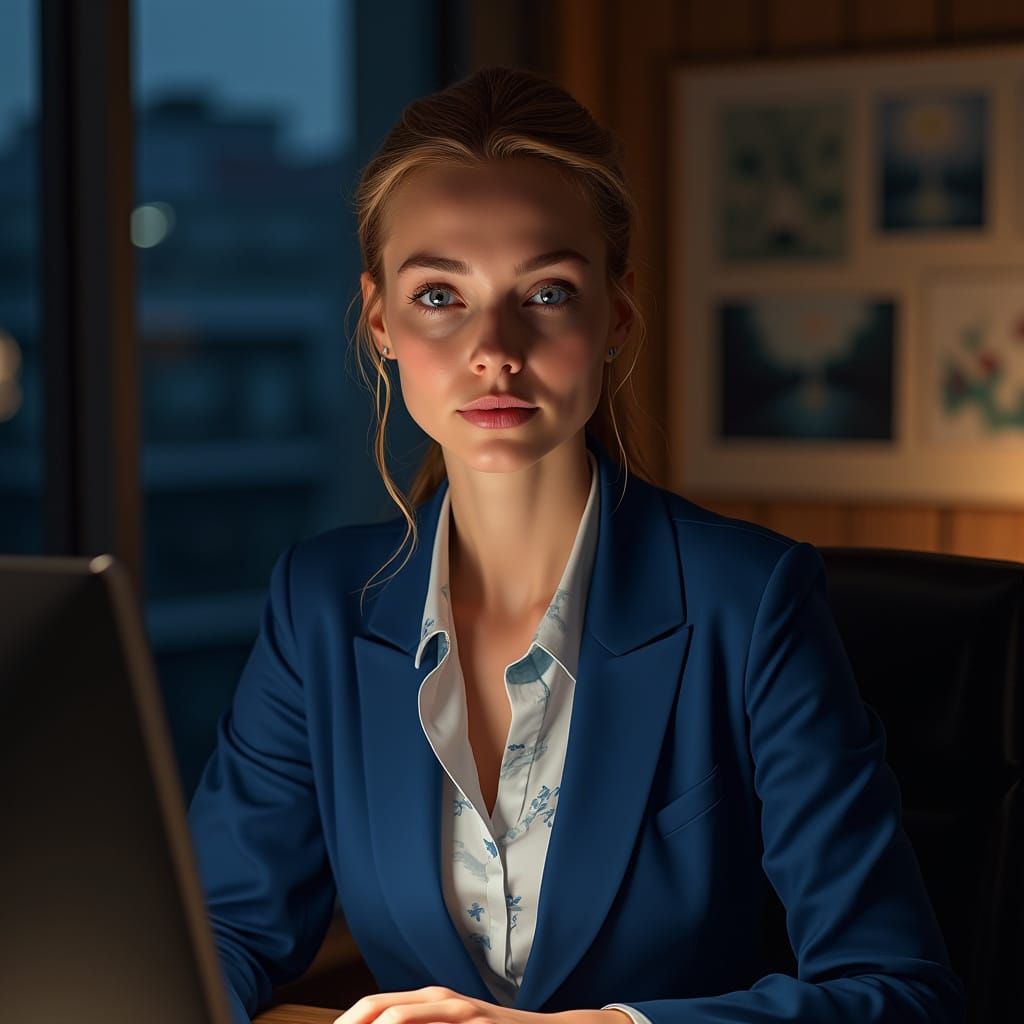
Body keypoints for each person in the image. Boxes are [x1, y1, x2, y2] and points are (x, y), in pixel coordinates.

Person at [187, 66, 966, 1024]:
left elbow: (899, 994)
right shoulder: (319, 602)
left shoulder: (749, 601)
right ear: (379, 320)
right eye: (440, 295)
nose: (494, 348)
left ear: (616, 314)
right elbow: (213, 939)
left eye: (546, 291)